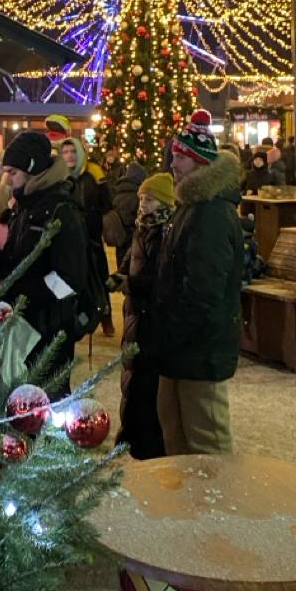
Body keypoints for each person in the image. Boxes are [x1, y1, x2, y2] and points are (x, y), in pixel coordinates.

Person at [152, 109, 245, 455]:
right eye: (173, 156)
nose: (172, 165)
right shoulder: (189, 205)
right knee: (176, 432)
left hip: (200, 350)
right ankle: (186, 504)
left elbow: (203, 292)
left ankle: (217, 506)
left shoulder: (211, 214)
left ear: (200, 164)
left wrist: (173, 331)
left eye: (180, 159)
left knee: (207, 441)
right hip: (181, 347)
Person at [0, 131, 88, 390]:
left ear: (32, 169)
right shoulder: (22, 207)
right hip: (21, 326)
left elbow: (70, 279)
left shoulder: (61, 211)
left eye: (13, 172)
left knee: (45, 405)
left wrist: (22, 291)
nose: (7, 179)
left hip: (49, 330)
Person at [112, 171, 176, 460]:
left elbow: (161, 279)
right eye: (141, 199)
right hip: (135, 315)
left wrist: (131, 284)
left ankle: (146, 446)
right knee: (132, 378)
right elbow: (130, 261)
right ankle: (130, 437)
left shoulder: (167, 232)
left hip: (153, 320)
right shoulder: (142, 228)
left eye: (148, 199)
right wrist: (119, 276)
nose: (142, 205)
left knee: (146, 386)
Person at [60, 135, 114, 335]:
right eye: (65, 152)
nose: (69, 156)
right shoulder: (60, 176)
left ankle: (106, 316)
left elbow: (106, 202)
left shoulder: (93, 172)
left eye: (73, 151)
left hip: (92, 237)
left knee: (99, 277)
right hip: (70, 239)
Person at [104, 160, 146, 266]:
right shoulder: (137, 197)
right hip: (131, 240)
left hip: (120, 238)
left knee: (121, 265)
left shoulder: (119, 192)